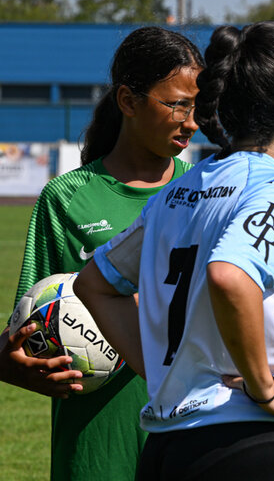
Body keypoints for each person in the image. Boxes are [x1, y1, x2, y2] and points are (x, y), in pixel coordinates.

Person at [75, 21, 274, 481]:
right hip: (251, 444)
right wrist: (264, 389)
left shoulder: (180, 192)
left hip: (167, 449)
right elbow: (230, 276)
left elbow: (95, 284)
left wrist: (169, 375)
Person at [7, 26, 203, 481]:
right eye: (177, 105)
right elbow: (25, 330)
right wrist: (14, 365)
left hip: (190, 442)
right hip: (94, 450)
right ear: (128, 101)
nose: (191, 122)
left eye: (196, 107)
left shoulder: (207, 191)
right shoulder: (65, 198)